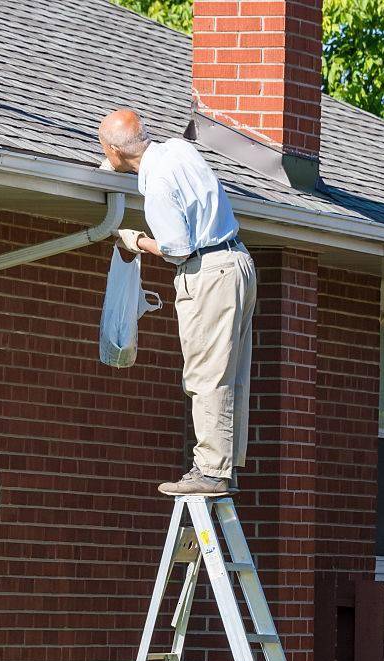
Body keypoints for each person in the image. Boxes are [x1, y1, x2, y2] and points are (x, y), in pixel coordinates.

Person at [98, 108, 257, 496]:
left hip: (208, 272)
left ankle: (211, 471)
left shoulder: (158, 184)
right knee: (230, 373)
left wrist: (135, 240)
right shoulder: (178, 150)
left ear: (116, 152)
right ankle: (225, 466)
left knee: (205, 373)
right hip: (237, 262)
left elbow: (176, 249)